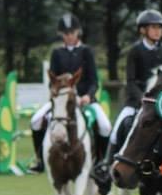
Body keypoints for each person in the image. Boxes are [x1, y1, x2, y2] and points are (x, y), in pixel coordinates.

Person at [92, 9, 162, 194]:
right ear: (143, 30)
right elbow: (130, 81)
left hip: (160, 104)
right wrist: (144, 100)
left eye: (160, 28)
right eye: (153, 27)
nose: (157, 31)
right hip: (136, 101)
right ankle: (105, 165)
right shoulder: (135, 51)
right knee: (120, 124)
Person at [29, 13, 111, 172]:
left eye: (72, 33)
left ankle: (101, 162)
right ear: (62, 35)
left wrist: (88, 95)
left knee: (105, 126)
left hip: (85, 100)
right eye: (66, 34)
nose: (69, 36)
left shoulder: (86, 51)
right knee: (35, 120)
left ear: (77, 32)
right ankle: (40, 160)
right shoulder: (57, 53)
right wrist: (56, 94)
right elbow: (53, 81)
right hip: (61, 101)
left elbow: (94, 80)